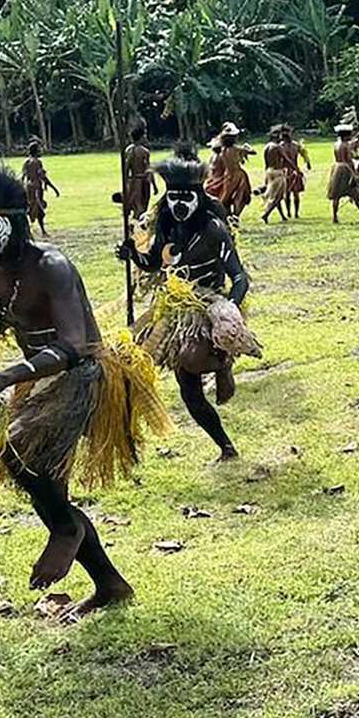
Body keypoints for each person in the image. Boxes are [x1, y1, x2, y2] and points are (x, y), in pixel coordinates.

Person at [0, 161, 167, 618]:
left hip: (81, 376)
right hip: (34, 379)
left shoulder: (51, 266)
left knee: (19, 452)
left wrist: (3, 378)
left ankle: (67, 532)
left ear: (13, 226)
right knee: (44, 487)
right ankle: (108, 582)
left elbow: (73, 345)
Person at [121, 152, 261, 462]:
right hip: (174, 304)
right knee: (182, 386)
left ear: (199, 196)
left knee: (190, 358)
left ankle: (224, 363)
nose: (179, 204)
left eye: (186, 197)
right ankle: (226, 446)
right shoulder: (168, 225)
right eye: (173, 197)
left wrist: (229, 310)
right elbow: (154, 263)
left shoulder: (214, 229)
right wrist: (133, 252)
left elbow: (239, 278)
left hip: (209, 302)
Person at [205, 123, 253, 222]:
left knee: (237, 196)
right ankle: (231, 216)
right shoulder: (229, 151)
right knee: (229, 198)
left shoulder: (222, 151)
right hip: (233, 176)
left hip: (229, 176)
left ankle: (233, 216)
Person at [327, 120, 359, 223]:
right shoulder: (346, 145)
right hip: (345, 170)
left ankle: (335, 217)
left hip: (336, 168)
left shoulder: (336, 144)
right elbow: (349, 160)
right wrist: (355, 173)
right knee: (354, 193)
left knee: (336, 195)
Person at [257, 125, 296, 224]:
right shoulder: (277, 147)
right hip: (278, 172)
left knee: (275, 195)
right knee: (278, 197)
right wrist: (296, 169)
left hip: (269, 171)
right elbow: (287, 160)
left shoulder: (267, 147)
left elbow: (266, 163)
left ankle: (282, 216)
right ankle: (265, 214)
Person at [117, 120, 154, 223]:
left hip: (135, 180)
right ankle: (137, 225)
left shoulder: (129, 150)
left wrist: (126, 182)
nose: (146, 138)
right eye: (144, 136)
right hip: (139, 181)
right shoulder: (143, 151)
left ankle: (137, 223)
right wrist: (153, 183)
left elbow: (126, 169)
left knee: (139, 204)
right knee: (139, 206)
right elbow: (148, 168)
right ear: (141, 137)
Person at [21, 139, 59, 235]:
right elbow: (42, 177)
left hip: (28, 188)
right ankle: (42, 231)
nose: (41, 151)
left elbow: (23, 176)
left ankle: (34, 230)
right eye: (39, 149)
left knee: (31, 208)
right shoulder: (37, 162)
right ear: (36, 151)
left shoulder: (26, 162)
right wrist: (54, 188)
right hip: (36, 189)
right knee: (39, 210)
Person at [283, 125, 312, 219]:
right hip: (286, 171)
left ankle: (295, 213)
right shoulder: (280, 146)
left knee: (295, 193)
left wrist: (308, 162)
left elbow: (304, 154)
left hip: (294, 170)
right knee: (287, 194)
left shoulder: (296, 145)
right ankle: (288, 212)